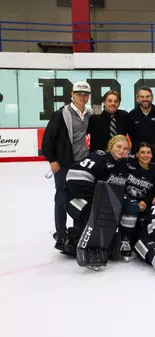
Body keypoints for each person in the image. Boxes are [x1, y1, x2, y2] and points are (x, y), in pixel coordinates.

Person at [42, 81, 95, 252]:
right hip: (64, 163)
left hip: (81, 163)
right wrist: (52, 160)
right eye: (79, 94)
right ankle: (61, 231)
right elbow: (48, 138)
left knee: (78, 197)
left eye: (85, 94)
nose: (82, 97)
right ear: (72, 95)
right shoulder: (61, 114)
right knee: (62, 197)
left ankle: (77, 231)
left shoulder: (89, 114)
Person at [64, 135, 130, 264]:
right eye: (119, 146)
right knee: (95, 215)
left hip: (94, 201)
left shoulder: (122, 165)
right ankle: (81, 245)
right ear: (111, 146)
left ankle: (76, 238)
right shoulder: (99, 157)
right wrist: (96, 198)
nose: (122, 151)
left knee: (106, 215)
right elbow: (74, 179)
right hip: (75, 200)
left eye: (125, 148)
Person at [118, 142, 155, 259]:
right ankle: (124, 241)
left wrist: (145, 201)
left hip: (142, 203)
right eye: (142, 152)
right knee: (132, 205)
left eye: (148, 152)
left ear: (152, 155)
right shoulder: (128, 164)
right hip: (124, 199)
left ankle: (144, 240)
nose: (145, 155)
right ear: (136, 154)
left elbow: (153, 190)